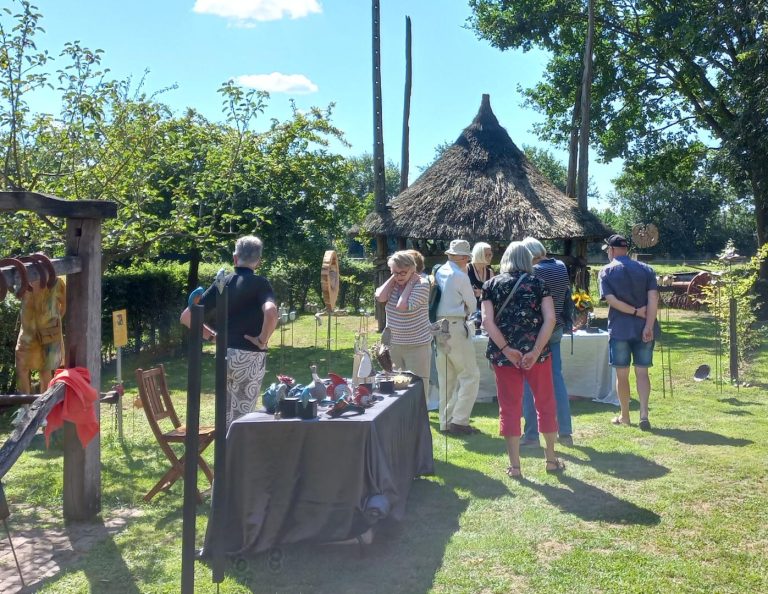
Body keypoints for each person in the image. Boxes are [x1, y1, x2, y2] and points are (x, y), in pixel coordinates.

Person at [481, 241, 565, 477]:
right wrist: (536, 350)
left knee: (509, 407)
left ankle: (515, 466)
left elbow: (487, 321)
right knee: (545, 404)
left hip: (503, 356)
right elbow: (550, 319)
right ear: (528, 260)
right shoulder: (539, 284)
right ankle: (551, 460)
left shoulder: (490, 285)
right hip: (537, 355)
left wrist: (506, 349)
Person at [180, 235, 278, 428]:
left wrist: (212, 337)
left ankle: (224, 447)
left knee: (224, 413)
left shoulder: (222, 282)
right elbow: (271, 312)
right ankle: (237, 447)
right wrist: (262, 340)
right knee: (243, 418)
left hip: (225, 356)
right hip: (249, 358)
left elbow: (186, 317)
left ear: (235, 258)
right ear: (258, 261)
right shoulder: (261, 284)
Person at [599, 234, 660, 430]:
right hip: (644, 328)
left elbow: (611, 300)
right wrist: (648, 325)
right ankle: (644, 414)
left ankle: (625, 416)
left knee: (622, 375)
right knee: (642, 372)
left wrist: (634, 311)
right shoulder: (646, 269)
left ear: (612, 250)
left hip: (620, 329)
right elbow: (653, 298)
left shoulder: (606, 271)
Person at [519, 237, 574, 446]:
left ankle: (531, 434)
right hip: (556, 327)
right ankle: (565, 431)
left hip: (536, 332)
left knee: (529, 381)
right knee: (557, 379)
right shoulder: (561, 266)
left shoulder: (534, 272)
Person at [434, 239, 481, 435]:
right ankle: (460, 421)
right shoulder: (460, 276)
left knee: (446, 377)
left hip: (438, 326)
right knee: (470, 375)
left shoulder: (438, 271)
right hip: (454, 325)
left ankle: (445, 422)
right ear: (462, 257)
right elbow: (473, 304)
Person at [375, 251, 432, 403]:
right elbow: (380, 297)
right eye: (395, 272)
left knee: (418, 388)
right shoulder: (394, 282)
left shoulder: (422, 284)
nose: (399, 276)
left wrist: (411, 282)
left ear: (413, 270)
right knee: (393, 388)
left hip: (417, 345)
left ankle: (419, 418)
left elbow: (402, 305)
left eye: (403, 273)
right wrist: (393, 278)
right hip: (393, 344)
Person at [467, 242, 495, 310]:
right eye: (486, 255)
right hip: (469, 310)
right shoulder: (467, 269)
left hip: (485, 310)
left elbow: (493, 292)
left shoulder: (490, 272)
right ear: (478, 255)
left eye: (490, 254)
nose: (489, 257)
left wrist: (481, 293)